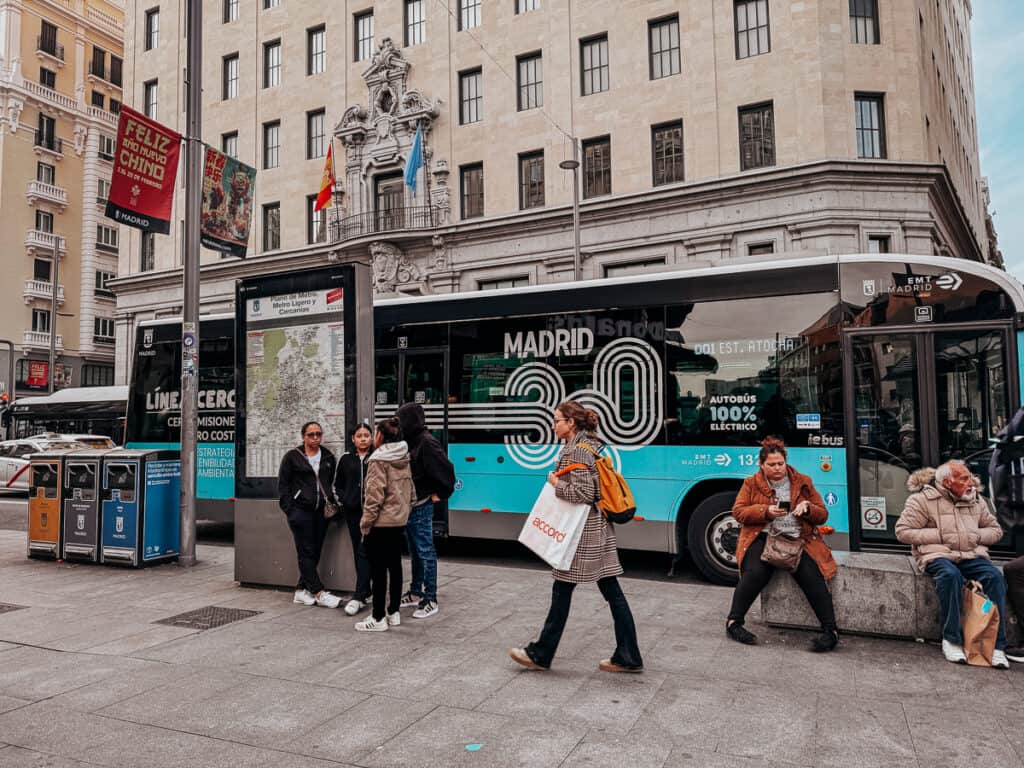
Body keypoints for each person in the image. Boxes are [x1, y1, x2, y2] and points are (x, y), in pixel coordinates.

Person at [509, 402, 643, 673]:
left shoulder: (577, 451)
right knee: (610, 590)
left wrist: (557, 484)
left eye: (557, 420)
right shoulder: (587, 445)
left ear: (571, 423)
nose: (553, 424)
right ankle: (628, 655)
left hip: (582, 535)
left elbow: (584, 494)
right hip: (597, 530)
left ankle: (541, 654)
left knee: (562, 590)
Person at [726, 436, 839, 652]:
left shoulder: (803, 481)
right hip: (764, 537)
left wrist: (807, 508)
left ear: (786, 461)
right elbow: (738, 512)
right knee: (755, 574)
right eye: (772, 465)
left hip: (798, 539)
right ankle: (734, 622)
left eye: (780, 463)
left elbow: (823, 514)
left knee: (813, 576)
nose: (777, 469)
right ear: (761, 465)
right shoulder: (751, 483)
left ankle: (830, 630)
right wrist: (765, 511)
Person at [896, 461, 1010, 668]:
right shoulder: (922, 500)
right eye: (964, 478)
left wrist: (974, 535)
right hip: (937, 554)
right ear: (948, 482)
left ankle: (996, 645)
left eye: (970, 477)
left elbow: (996, 531)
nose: (971, 482)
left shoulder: (976, 500)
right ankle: (951, 639)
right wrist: (941, 535)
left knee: (995, 577)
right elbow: (903, 531)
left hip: (971, 553)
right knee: (950, 576)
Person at [355, 417, 416, 632]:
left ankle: (378, 617)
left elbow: (374, 496)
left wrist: (366, 523)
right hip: (399, 520)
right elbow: (411, 489)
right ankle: (394, 612)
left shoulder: (378, 459)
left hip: (381, 523)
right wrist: (406, 510)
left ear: (381, 436)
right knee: (395, 567)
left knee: (378, 571)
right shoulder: (403, 455)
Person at [396, 403, 456, 619]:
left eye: (401, 418)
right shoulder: (412, 440)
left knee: (425, 551)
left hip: (421, 505)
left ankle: (430, 598)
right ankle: (415, 591)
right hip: (411, 505)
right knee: (415, 551)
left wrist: (441, 493)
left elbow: (446, 470)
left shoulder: (426, 442)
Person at [277, 421, 342, 609]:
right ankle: (318, 592)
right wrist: (290, 510)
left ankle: (300, 591)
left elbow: (331, 482)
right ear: (303, 436)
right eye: (311, 434)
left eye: (318, 434)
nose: (315, 438)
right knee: (305, 550)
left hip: (321, 512)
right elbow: (283, 486)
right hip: (300, 512)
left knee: (315, 550)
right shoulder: (292, 457)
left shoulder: (328, 456)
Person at [334, 422, 374, 616]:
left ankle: (361, 593)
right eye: (359, 436)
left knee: (366, 550)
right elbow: (337, 484)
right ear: (353, 439)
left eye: (366, 435)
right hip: (352, 512)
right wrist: (344, 500)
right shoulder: (346, 459)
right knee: (359, 550)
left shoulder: (376, 457)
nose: (363, 438)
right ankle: (365, 590)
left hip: (372, 512)